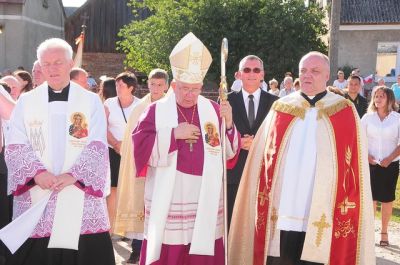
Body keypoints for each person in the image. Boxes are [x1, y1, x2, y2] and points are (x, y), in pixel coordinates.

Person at [229, 51, 375, 265]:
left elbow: (355, 163)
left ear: (328, 75)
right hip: (283, 206)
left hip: (323, 208)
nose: (307, 75)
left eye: (314, 71)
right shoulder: (282, 108)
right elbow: (262, 157)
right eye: (303, 71)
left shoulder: (343, 110)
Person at [3, 38, 115, 265]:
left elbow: (97, 146)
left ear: (70, 63)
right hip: (38, 192)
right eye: (46, 64)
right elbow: (15, 144)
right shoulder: (26, 102)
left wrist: (73, 175)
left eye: (58, 62)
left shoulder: (90, 101)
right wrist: (37, 173)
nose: (52, 69)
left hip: (78, 192)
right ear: (39, 66)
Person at [132, 32, 240, 264]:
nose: (190, 95)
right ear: (173, 85)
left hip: (205, 193)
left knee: (203, 250)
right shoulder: (155, 110)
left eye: (196, 89)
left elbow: (228, 155)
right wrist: (173, 135)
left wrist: (229, 123)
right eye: (184, 89)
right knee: (170, 251)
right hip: (171, 194)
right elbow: (139, 148)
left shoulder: (212, 109)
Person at [113, 68, 169, 264]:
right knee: (141, 206)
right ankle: (137, 250)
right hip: (143, 166)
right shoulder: (140, 109)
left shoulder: (172, 106)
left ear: (167, 86)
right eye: (152, 84)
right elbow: (132, 141)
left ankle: (162, 250)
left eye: (159, 84)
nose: (155, 88)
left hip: (165, 166)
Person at [227, 55, 278, 228]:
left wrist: (258, 143)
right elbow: (219, 135)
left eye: (256, 70)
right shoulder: (226, 101)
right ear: (239, 74)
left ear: (262, 74)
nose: (251, 74)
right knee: (233, 222)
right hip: (235, 172)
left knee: (259, 224)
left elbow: (277, 136)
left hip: (262, 171)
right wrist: (237, 142)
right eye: (246, 70)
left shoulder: (275, 102)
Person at [361, 86, 400, 247]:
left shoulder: (397, 118)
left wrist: (390, 158)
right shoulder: (367, 118)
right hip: (370, 164)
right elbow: (359, 139)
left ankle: (384, 232)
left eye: (381, 96)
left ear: (389, 99)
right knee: (371, 199)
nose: (377, 99)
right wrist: (367, 156)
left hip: (390, 165)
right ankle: (370, 232)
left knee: (386, 199)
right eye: (376, 96)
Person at [104, 71, 140, 230]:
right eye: (117, 85)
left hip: (133, 152)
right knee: (113, 190)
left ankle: (128, 228)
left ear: (131, 88)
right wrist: (117, 144)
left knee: (131, 190)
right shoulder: (109, 104)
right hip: (113, 150)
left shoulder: (141, 105)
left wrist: (127, 146)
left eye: (121, 85)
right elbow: (102, 126)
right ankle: (111, 228)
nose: (117, 88)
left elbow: (143, 129)